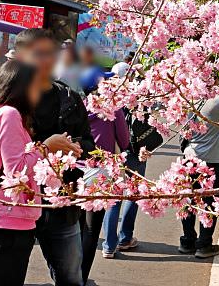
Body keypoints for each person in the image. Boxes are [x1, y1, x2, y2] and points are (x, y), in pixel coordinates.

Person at [0, 60, 80, 286]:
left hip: (0, 224)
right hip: (7, 227)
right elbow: (17, 171)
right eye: (37, 86)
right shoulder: (8, 115)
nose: (39, 93)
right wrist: (47, 147)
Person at [12, 29, 96, 286]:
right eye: (39, 54)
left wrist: (74, 147)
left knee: (71, 276)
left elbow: (90, 146)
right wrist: (46, 147)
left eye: (51, 53)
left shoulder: (69, 97)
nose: (46, 60)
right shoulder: (8, 101)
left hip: (62, 206)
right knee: (8, 277)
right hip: (17, 204)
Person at [179, 90, 219, 258]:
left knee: (189, 198)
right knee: (210, 201)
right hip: (211, 159)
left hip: (189, 156)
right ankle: (204, 244)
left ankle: (187, 241)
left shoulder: (188, 95)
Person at [102, 108, 156, 259]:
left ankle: (109, 245)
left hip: (113, 152)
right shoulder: (138, 100)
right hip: (133, 150)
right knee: (133, 193)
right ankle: (125, 238)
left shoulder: (106, 102)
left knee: (114, 198)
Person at [87, 105, 129, 263]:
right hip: (106, 165)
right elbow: (124, 141)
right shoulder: (112, 107)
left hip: (81, 164)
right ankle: (109, 245)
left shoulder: (79, 104)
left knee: (82, 223)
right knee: (113, 202)